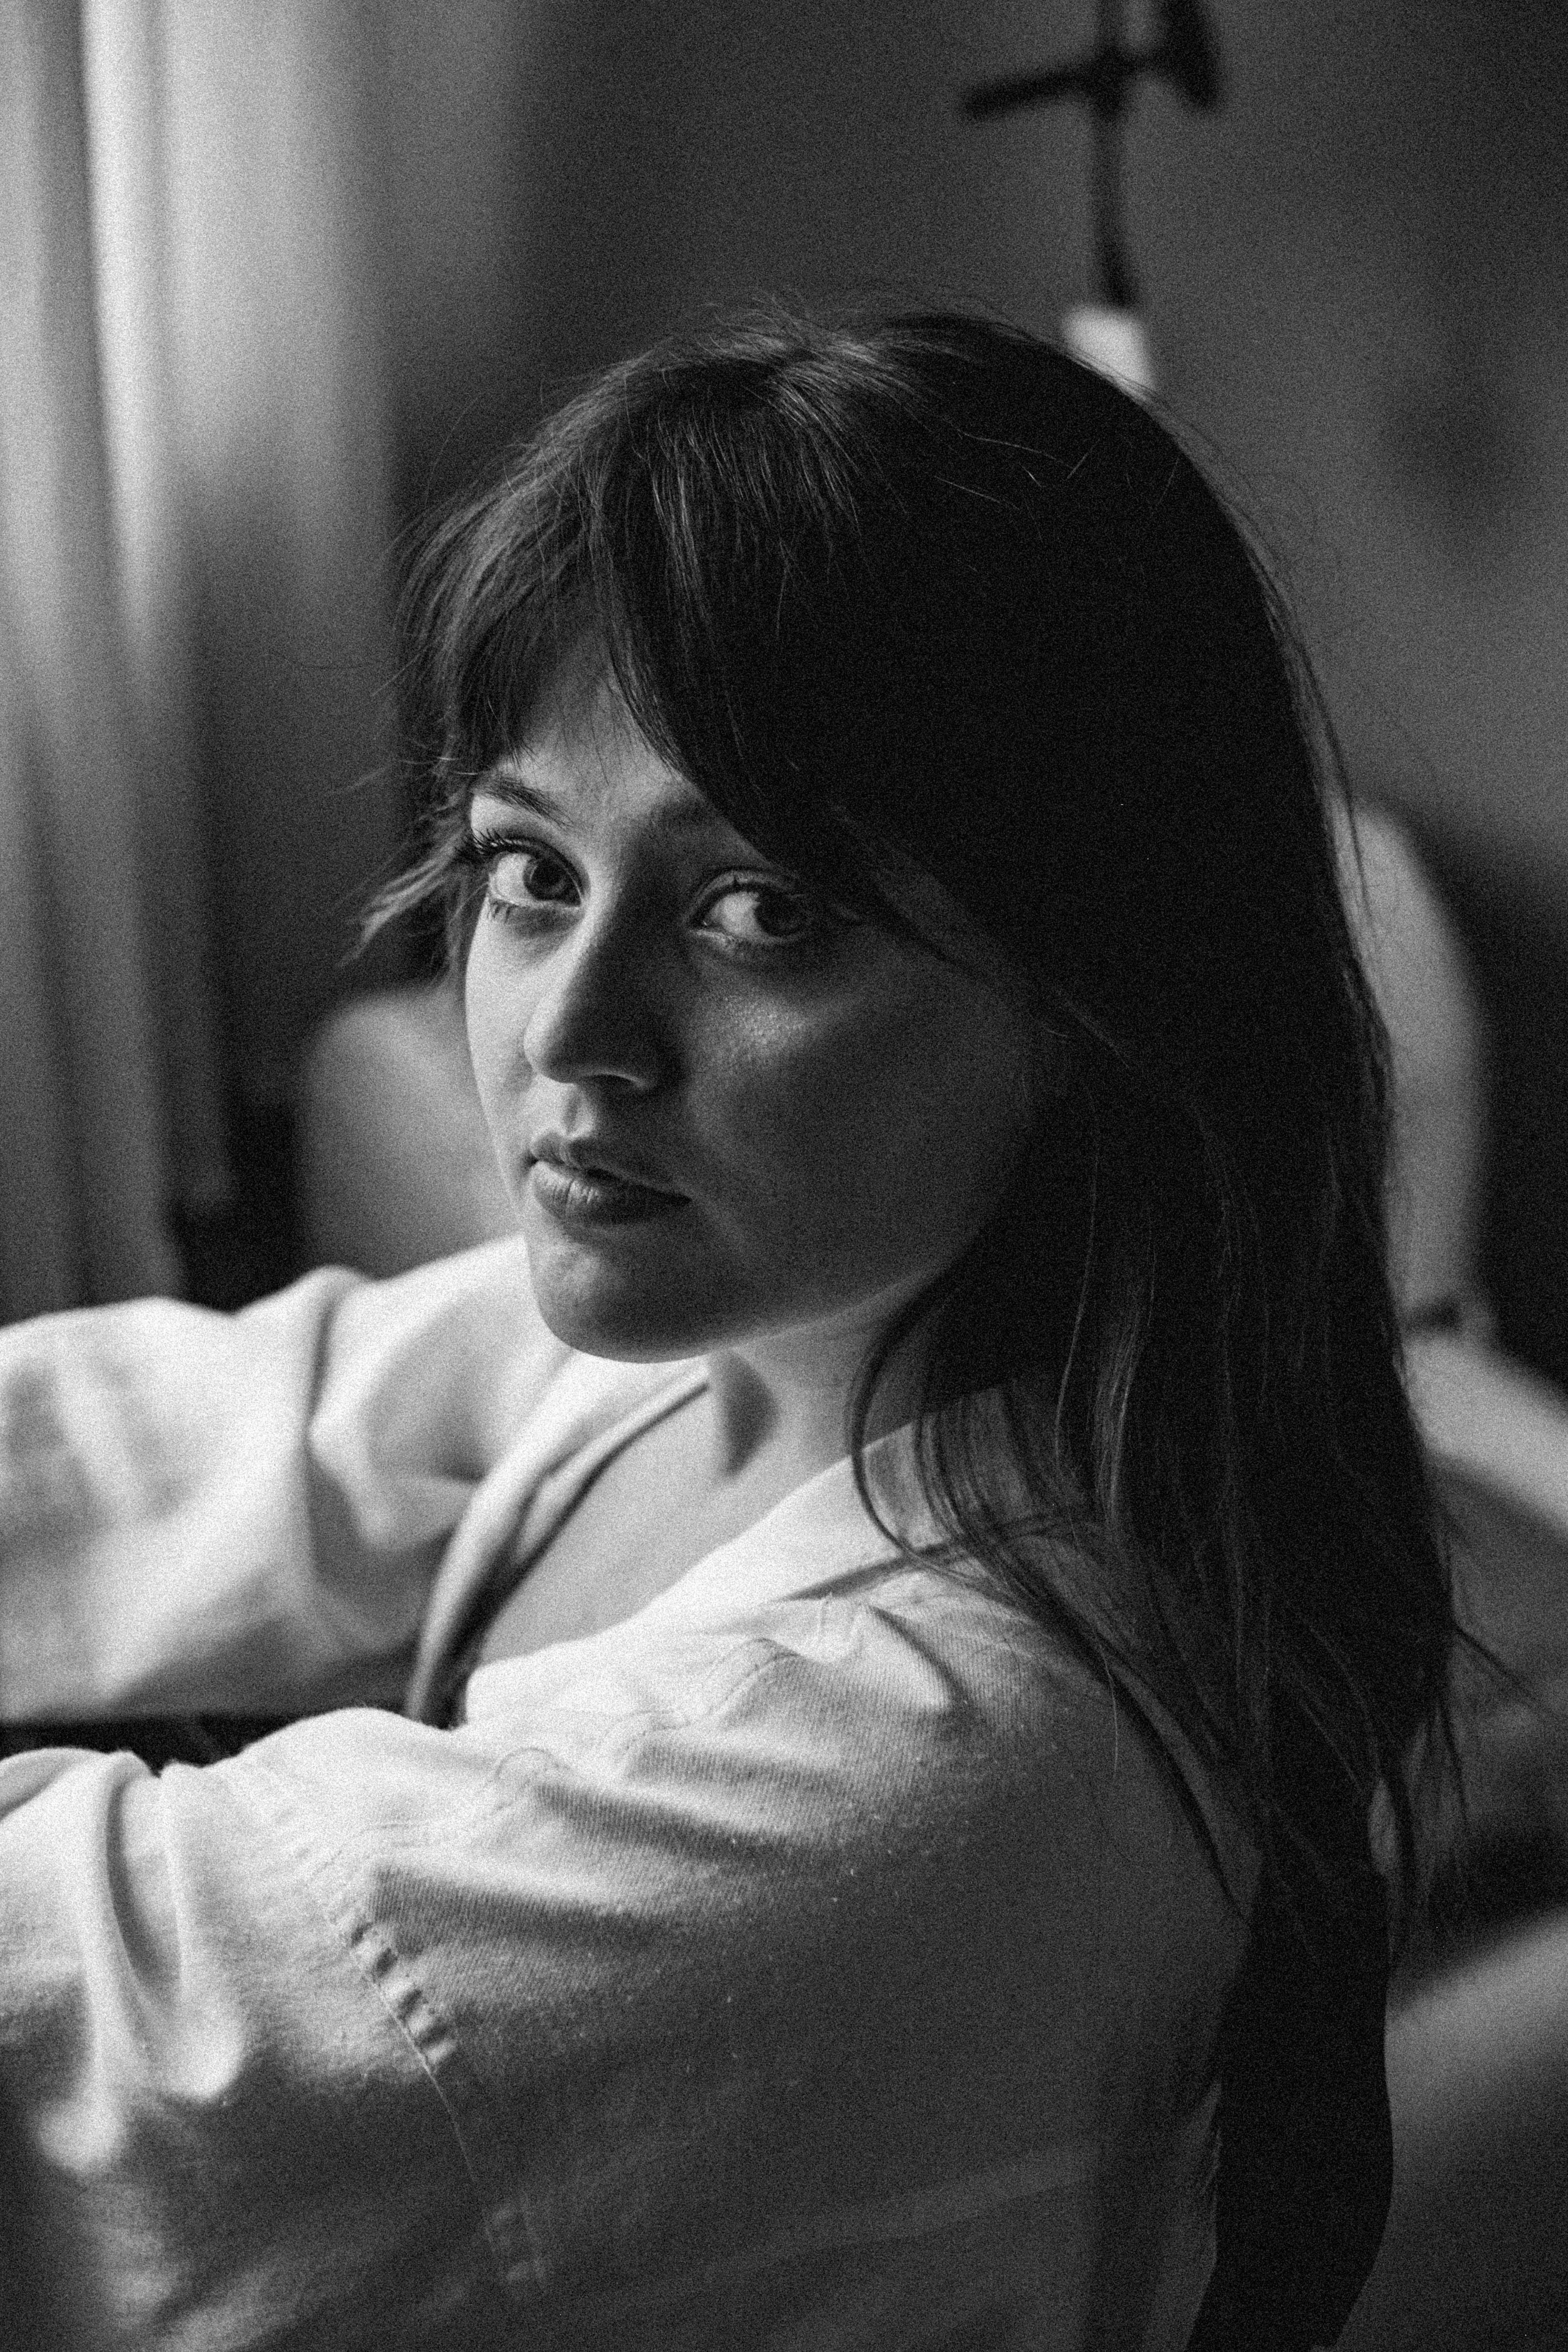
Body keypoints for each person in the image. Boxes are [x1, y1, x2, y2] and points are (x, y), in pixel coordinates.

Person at [0, 310, 1455, 2350]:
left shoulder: (902, 1778)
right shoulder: (743, 1346)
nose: (565, 1036)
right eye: (527, 868)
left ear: (1088, 994)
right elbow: (173, 1444)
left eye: (756, 908)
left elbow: (96, 2015)